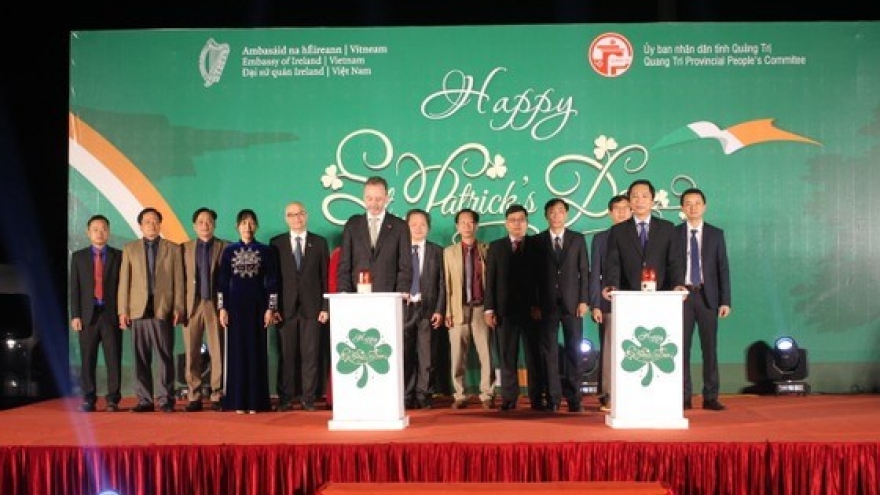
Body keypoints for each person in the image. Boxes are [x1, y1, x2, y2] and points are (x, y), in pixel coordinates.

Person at [118, 207, 185, 413]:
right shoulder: (130, 249)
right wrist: (123, 310)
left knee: (164, 357)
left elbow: (179, 281)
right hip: (138, 310)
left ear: (160, 224)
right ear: (140, 225)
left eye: (155, 221)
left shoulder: (173, 248)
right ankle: (145, 400)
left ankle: (165, 399)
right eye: (147, 221)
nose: (151, 225)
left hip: (162, 309)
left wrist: (178, 307)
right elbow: (124, 282)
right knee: (140, 358)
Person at [270, 201, 329, 412]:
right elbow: (272, 280)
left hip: (313, 309)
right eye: (292, 215)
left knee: (310, 356)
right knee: (286, 356)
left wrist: (325, 307)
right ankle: (285, 399)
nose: (297, 218)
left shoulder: (320, 243)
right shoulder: (276, 244)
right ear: (286, 218)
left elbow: (325, 277)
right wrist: (273, 308)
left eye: (300, 214)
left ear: (306, 215)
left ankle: (308, 398)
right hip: (284, 311)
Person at [218, 209, 278, 414]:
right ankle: (237, 401)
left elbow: (272, 282)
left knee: (256, 352)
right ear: (237, 226)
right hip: (235, 309)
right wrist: (222, 308)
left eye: (251, 223)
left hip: (257, 308)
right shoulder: (228, 251)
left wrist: (270, 308)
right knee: (237, 353)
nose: (248, 227)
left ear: (257, 226)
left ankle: (256, 401)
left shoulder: (266, 250)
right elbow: (222, 282)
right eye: (244, 223)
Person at [534, 198, 590, 413]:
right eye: (552, 212)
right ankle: (554, 398)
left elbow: (584, 271)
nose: (556, 215)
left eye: (560, 211)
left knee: (574, 350)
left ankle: (575, 398)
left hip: (573, 303)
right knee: (549, 353)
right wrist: (535, 304)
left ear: (566, 214)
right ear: (546, 215)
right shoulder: (538, 241)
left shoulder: (577, 239)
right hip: (546, 305)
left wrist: (584, 299)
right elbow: (534, 277)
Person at [678, 188, 731, 411]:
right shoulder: (674, 233)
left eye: (697, 203)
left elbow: (723, 268)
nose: (693, 207)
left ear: (704, 206)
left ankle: (711, 396)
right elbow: (669, 266)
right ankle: (683, 396)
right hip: (682, 298)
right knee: (682, 349)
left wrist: (725, 300)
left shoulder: (716, 234)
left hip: (708, 298)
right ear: (682, 208)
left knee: (709, 349)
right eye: (688, 203)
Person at [483, 204, 539, 412]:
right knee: (507, 357)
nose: (517, 224)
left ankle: (536, 397)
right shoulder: (496, 247)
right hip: (504, 312)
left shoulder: (536, 245)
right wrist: (489, 309)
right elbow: (491, 281)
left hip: (532, 312)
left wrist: (538, 305)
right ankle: (509, 398)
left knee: (533, 356)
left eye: (521, 220)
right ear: (506, 223)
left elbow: (542, 280)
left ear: (527, 223)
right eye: (513, 220)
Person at [69, 214, 123, 413]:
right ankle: (88, 398)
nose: (100, 233)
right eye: (95, 229)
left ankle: (113, 399)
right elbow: (74, 289)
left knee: (113, 358)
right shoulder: (79, 257)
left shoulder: (119, 256)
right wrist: (75, 315)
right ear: (88, 232)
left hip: (111, 315)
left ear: (108, 231)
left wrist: (123, 312)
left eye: (103, 229)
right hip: (87, 316)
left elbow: (123, 288)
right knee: (88, 359)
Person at [443, 208, 494, 410]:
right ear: (457, 227)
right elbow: (446, 284)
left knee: (486, 354)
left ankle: (487, 394)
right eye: (462, 223)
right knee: (457, 355)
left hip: (481, 308)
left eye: (470, 222)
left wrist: (492, 309)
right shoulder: (448, 252)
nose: (466, 226)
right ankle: (460, 394)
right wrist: (447, 311)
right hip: (458, 308)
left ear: (476, 225)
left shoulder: (486, 249)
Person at [180, 207, 229, 412]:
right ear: (194, 226)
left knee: (217, 350)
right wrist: (179, 306)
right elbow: (178, 279)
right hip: (192, 304)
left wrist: (225, 305)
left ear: (214, 224)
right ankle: (194, 395)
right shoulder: (183, 248)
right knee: (191, 351)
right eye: (200, 222)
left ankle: (217, 394)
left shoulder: (225, 247)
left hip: (215, 304)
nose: (205, 225)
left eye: (209, 221)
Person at [602, 179, 686, 296]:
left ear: (652, 201)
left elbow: (675, 261)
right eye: (635, 196)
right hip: (628, 295)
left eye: (644, 196)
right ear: (630, 202)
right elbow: (613, 263)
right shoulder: (618, 231)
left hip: (662, 294)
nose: (639, 201)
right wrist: (612, 286)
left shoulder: (667, 228)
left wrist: (678, 284)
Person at [588, 195, 631, 411]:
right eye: (617, 209)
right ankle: (608, 394)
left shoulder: (640, 236)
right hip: (608, 303)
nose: (622, 212)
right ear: (609, 213)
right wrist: (595, 303)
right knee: (609, 350)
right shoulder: (601, 238)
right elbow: (595, 272)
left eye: (626, 208)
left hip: (638, 303)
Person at [336, 175, 412, 293]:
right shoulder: (352, 225)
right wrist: (344, 292)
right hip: (357, 297)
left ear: (387, 198)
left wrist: (401, 293)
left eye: (378, 199)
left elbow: (405, 266)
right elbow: (344, 265)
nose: (374, 203)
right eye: (369, 198)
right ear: (364, 198)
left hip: (389, 298)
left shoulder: (400, 227)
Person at [402, 208, 446, 409]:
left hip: (428, 310)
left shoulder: (438, 251)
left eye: (422, 224)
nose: (418, 228)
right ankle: (406, 394)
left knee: (426, 355)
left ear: (428, 227)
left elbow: (442, 284)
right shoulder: (398, 250)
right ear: (406, 226)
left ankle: (424, 394)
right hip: (404, 309)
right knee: (406, 354)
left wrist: (439, 309)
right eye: (413, 224)